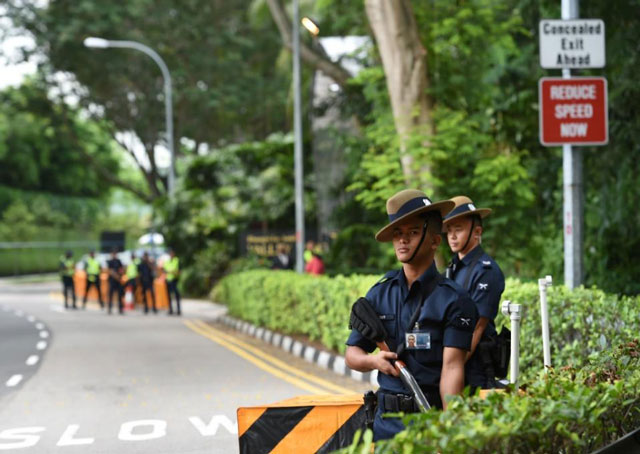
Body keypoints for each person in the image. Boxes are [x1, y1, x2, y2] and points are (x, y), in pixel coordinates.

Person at [345, 189, 478, 441]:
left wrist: (450, 433)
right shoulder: (379, 294)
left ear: (435, 241)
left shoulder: (455, 300)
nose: (402, 240)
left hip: (429, 423)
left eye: (413, 232)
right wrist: (375, 361)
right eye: (397, 234)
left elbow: (452, 369)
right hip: (385, 426)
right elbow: (352, 354)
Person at [443, 196, 505, 389]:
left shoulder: (486, 271)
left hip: (474, 368)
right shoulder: (453, 267)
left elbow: (477, 327)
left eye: (458, 229)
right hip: (453, 364)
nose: (452, 236)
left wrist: (449, 369)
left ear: (477, 232)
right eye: (449, 231)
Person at [106, 249, 124, 315]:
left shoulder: (119, 261)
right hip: (112, 281)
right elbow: (110, 271)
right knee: (110, 295)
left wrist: (120, 275)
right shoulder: (110, 262)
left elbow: (122, 269)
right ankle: (109, 308)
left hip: (118, 281)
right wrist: (117, 276)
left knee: (119, 295)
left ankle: (120, 309)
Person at [164, 248, 181, 316]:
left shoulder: (176, 260)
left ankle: (178, 310)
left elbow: (179, 271)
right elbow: (164, 270)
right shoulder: (167, 261)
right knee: (169, 296)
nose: (171, 255)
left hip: (175, 280)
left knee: (176, 295)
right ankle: (170, 309)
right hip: (168, 280)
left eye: (172, 253)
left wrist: (174, 272)